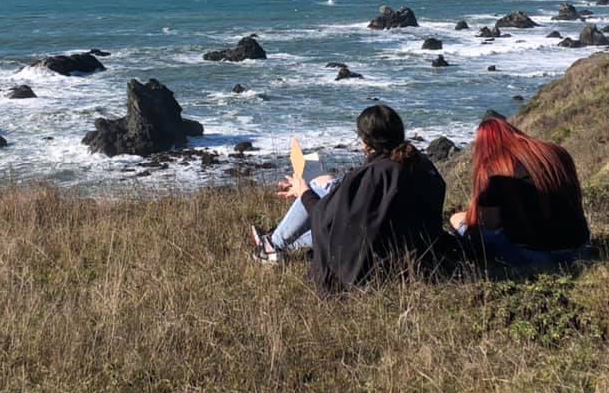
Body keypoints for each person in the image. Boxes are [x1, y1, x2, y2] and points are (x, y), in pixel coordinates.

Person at [251, 104, 448, 293]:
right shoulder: (421, 164)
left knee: (318, 190)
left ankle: (271, 246)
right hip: (418, 249)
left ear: (366, 141)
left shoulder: (374, 175)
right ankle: (277, 242)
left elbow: (327, 218)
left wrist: (303, 192)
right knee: (326, 182)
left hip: (378, 259)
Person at [449, 116, 590, 266]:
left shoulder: (492, 168)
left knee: (457, 218)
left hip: (535, 256)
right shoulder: (556, 152)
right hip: (581, 248)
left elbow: (491, 225)